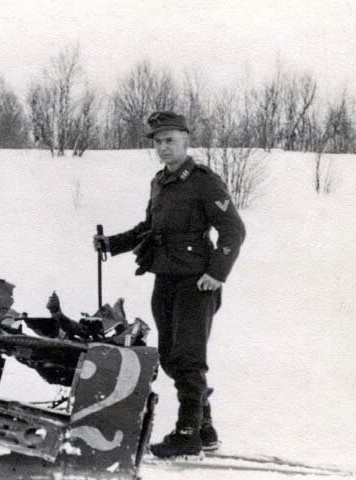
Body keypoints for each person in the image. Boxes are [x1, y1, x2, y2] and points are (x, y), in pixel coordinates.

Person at [93, 111, 246, 458]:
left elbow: (233, 230)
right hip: (165, 277)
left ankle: (187, 434)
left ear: (185, 140)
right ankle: (204, 428)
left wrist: (217, 273)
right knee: (169, 357)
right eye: (158, 142)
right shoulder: (159, 181)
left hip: (197, 282)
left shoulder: (205, 181)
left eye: (170, 140)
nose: (163, 147)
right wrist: (112, 244)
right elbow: (149, 229)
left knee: (188, 358)